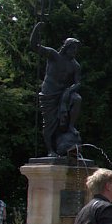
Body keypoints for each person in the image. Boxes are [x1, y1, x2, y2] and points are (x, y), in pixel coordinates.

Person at [30, 21, 82, 156]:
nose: (74, 52)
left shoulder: (75, 65)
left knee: (77, 99)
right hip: (49, 94)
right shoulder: (54, 56)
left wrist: (68, 92)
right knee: (49, 123)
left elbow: (78, 83)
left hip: (63, 93)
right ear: (66, 48)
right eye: (73, 49)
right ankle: (50, 150)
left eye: (76, 49)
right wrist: (36, 30)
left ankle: (70, 126)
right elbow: (35, 46)